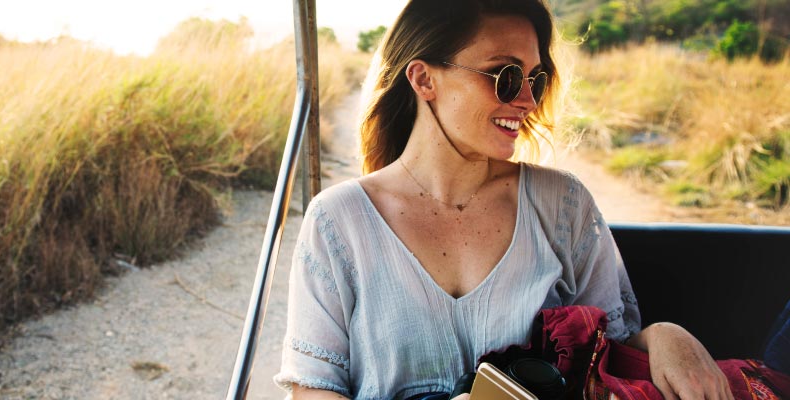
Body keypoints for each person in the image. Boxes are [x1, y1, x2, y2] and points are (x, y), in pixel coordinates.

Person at [274, 0, 732, 399]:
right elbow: (314, 387)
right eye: (506, 75)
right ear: (423, 79)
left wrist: (667, 336)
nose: (529, 100)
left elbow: (609, 353)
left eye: (537, 77)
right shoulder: (338, 221)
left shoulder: (564, 205)